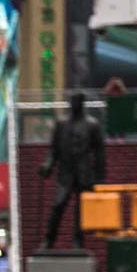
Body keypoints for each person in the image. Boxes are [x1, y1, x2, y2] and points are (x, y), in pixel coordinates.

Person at [40, 90, 107, 248]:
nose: (74, 104)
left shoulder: (92, 125)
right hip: (65, 172)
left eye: (77, 101)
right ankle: (49, 240)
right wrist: (48, 165)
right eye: (72, 101)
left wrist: (100, 178)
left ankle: (78, 241)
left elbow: (99, 154)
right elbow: (53, 149)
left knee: (81, 210)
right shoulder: (61, 124)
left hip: (84, 173)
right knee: (58, 206)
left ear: (82, 103)